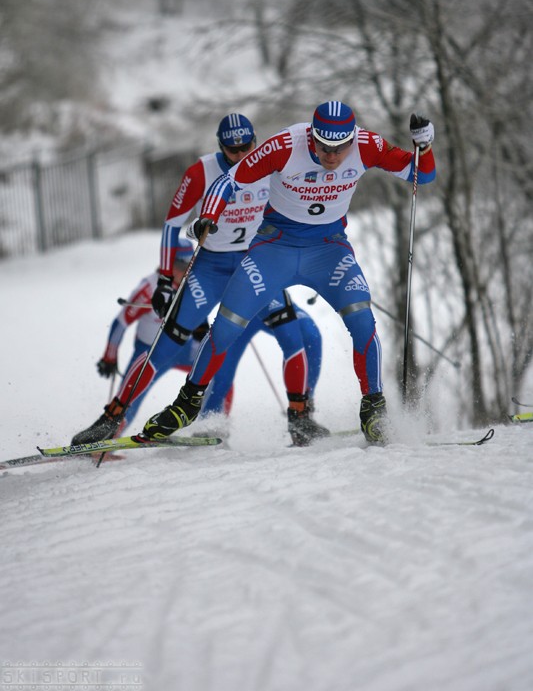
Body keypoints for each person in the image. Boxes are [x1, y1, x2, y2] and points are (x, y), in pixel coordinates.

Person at [140, 101, 436, 446]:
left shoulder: (367, 145)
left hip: (328, 249)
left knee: (362, 320)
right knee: (226, 326)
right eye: (324, 147)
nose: (333, 156)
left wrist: (425, 146)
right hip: (274, 248)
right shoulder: (285, 146)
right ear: (312, 137)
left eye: (340, 148)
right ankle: (188, 404)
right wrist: (208, 215)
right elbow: (227, 181)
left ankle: (373, 409)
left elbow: (421, 174)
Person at [72, 113, 325, 446]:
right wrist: (165, 280)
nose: (240, 155)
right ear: (221, 146)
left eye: (246, 147)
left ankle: (300, 419)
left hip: (255, 266)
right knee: (163, 345)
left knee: (294, 333)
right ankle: (111, 417)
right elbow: (171, 225)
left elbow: (300, 207)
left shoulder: (270, 164)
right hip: (211, 268)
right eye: (232, 150)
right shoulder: (201, 172)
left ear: (255, 141)